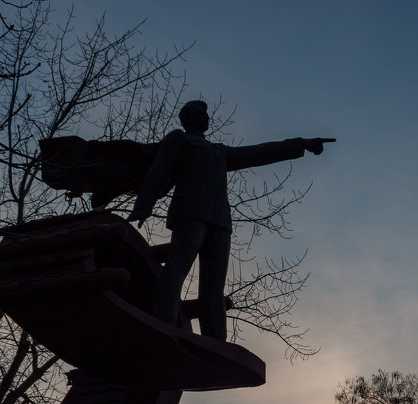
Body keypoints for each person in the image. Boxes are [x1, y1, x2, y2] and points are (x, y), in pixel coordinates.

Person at [128, 100, 333, 340]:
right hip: (190, 212)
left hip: (220, 222)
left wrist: (300, 144)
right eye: (200, 113)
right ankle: (163, 324)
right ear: (186, 118)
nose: (206, 117)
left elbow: (257, 153)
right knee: (176, 269)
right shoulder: (179, 140)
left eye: (206, 114)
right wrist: (143, 206)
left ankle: (215, 342)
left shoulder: (219, 151)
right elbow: (159, 170)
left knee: (213, 287)